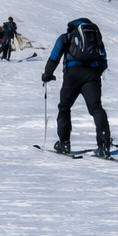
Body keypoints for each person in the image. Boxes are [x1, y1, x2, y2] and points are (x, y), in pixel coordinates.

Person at [42, 18, 113, 158]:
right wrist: (95, 74)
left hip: (72, 75)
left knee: (64, 107)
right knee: (96, 109)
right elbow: (103, 60)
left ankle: (64, 143)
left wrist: (47, 74)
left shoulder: (66, 37)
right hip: (92, 76)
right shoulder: (95, 36)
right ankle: (104, 146)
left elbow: (54, 56)